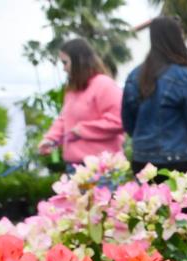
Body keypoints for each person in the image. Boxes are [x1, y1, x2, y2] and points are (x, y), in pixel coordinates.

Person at [123, 16, 187, 210]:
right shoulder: (185, 75)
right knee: (180, 226)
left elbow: (129, 124)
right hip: (180, 162)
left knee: (150, 225)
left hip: (143, 161)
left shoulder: (134, 76)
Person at [38, 38, 124, 168]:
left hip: (102, 168)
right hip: (74, 166)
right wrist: (50, 139)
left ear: (78, 61)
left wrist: (82, 130)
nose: (64, 68)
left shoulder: (104, 85)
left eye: (65, 62)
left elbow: (118, 121)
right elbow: (64, 119)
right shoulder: (73, 89)